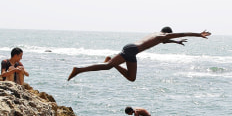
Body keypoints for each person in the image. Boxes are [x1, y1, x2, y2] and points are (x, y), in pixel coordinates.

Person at [67, 27, 211, 82]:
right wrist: (198, 34)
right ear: (167, 33)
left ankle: (79, 70)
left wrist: (176, 43)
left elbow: (163, 42)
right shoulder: (163, 36)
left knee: (108, 66)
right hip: (132, 51)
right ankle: (79, 70)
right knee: (131, 77)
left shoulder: (157, 35)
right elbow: (182, 33)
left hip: (130, 47)